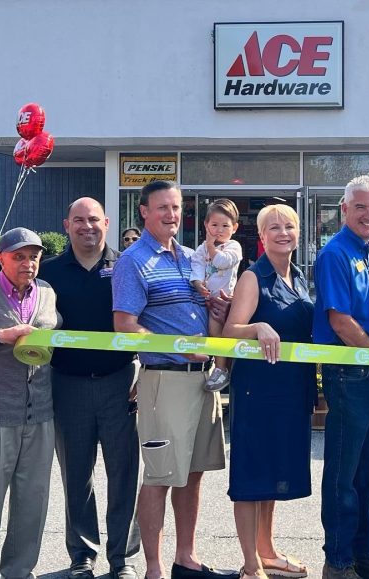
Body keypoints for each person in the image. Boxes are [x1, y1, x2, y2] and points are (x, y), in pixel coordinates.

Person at [112, 180, 237, 579]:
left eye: (176, 207)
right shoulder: (133, 260)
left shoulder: (190, 257)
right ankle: (154, 568)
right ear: (144, 212)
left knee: (192, 474)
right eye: (162, 207)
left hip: (203, 380)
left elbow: (206, 310)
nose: (171, 214)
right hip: (165, 380)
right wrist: (180, 348)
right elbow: (125, 326)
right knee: (161, 476)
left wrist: (218, 310)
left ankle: (186, 559)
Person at [39, 198, 141, 579]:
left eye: (94, 219)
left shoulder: (127, 266)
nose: (87, 226)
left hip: (120, 382)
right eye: (79, 220)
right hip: (67, 385)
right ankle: (82, 555)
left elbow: (143, 320)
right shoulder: (48, 272)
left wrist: (143, 370)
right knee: (76, 475)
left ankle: (122, 558)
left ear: (107, 223)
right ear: (66, 225)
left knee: (124, 473)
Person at [313, 175, 369, 579]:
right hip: (349, 374)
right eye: (361, 207)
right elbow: (340, 320)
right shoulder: (335, 253)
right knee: (344, 473)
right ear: (344, 209)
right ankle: (337, 561)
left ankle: (362, 553)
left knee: (367, 470)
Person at [222, 204, 315, 579]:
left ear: (298, 233)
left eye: (289, 226)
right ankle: (250, 565)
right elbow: (230, 331)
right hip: (257, 392)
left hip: (290, 390)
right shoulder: (252, 277)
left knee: (273, 474)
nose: (282, 233)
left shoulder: (298, 276)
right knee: (251, 476)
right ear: (261, 236)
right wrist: (257, 327)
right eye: (273, 227)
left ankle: (267, 551)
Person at [0, 227, 61, 579]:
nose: (28, 263)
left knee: (33, 501)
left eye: (34, 257)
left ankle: (19, 571)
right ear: (0, 258)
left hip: (39, 412)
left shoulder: (47, 292)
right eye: (19, 257)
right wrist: (1, 335)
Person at [190, 198, 243, 391]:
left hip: (223, 300)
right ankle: (213, 363)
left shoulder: (234, 247)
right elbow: (196, 265)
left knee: (216, 330)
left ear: (234, 228)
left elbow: (222, 262)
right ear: (206, 225)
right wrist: (197, 283)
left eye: (225, 226)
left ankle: (221, 369)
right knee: (203, 330)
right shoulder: (201, 248)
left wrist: (211, 247)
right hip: (204, 298)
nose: (219, 230)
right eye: (214, 225)